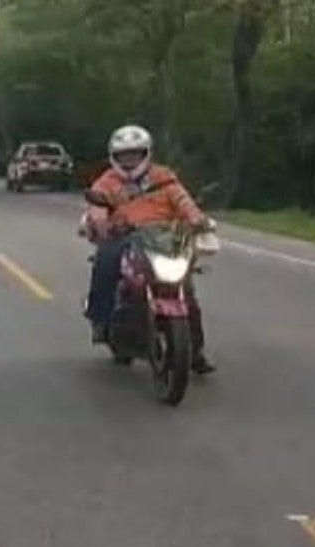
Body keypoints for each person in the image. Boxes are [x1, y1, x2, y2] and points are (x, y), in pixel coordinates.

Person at [83, 124, 216, 374]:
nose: (130, 160)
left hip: (165, 238)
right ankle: (101, 319)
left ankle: (195, 351)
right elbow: (96, 208)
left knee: (186, 290)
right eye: (124, 155)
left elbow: (184, 202)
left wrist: (199, 220)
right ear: (114, 156)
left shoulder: (164, 178)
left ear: (146, 154)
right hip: (126, 237)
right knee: (105, 260)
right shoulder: (107, 182)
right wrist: (101, 224)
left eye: (135, 154)